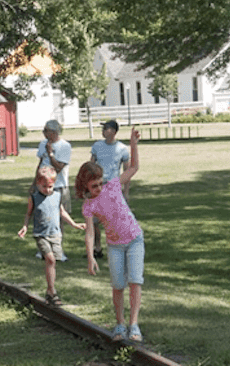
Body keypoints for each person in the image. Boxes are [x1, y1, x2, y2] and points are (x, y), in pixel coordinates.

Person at [75, 126, 144, 342]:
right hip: (114, 245)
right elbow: (90, 234)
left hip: (134, 240)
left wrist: (133, 144)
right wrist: (90, 258)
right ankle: (120, 324)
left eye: (99, 182)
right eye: (94, 185)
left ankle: (134, 325)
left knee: (135, 281)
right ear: (85, 185)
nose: (98, 188)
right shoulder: (88, 206)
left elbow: (133, 167)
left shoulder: (112, 186)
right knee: (117, 286)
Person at [18, 165, 85, 306]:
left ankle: (49, 291)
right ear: (37, 184)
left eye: (50, 186)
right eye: (44, 187)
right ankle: (52, 291)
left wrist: (74, 224)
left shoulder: (57, 196)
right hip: (40, 234)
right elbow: (28, 214)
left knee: (53, 262)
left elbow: (62, 212)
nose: (48, 190)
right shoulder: (34, 198)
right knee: (50, 260)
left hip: (55, 234)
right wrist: (25, 226)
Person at [89, 119, 131, 259]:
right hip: (97, 188)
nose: (102, 131)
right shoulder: (97, 146)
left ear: (113, 131)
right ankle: (97, 249)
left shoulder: (122, 149)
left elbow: (126, 172)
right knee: (94, 221)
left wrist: (126, 192)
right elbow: (90, 167)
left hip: (113, 188)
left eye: (105, 128)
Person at [33, 120, 73, 260]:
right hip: (41, 186)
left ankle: (58, 250)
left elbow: (58, 167)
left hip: (58, 187)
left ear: (54, 132)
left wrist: (51, 153)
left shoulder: (64, 146)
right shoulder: (42, 144)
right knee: (41, 218)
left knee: (58, 220)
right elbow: (40, 164)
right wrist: (34, 182)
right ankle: (43, 249)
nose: (44, 133)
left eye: (46, 130)